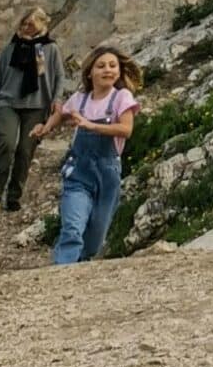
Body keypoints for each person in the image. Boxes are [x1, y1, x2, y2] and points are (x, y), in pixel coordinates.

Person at [34, 45, 140, 266]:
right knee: (73, 227)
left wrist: (91, 126)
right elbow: (61, 113)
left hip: (107, 174)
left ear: (119, 71)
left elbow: (126, 129)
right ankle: (62, 270)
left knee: (95, 239)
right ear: (90, 72)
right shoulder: (80, 99)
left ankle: (80, 266)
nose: (107, 70)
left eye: (113, 66)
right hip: (79, 172)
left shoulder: (121, 97)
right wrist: (45, 127)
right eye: (101, 66)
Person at [0, 10, 63, 213]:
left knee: (25, 151)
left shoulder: (50, 49)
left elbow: (59, 77)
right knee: (6, 143)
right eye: (23, 23)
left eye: (31, 24)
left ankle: (14, 196)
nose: (26, 28)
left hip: (37, 106)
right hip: (8, 103)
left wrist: (57, 100)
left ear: (42, 25)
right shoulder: (10, 49)